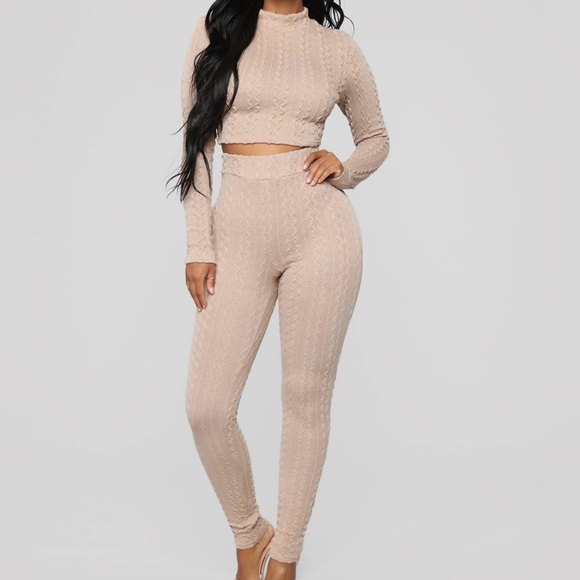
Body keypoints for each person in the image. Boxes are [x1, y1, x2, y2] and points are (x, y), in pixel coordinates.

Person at [173, 1, 389, 578]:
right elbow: (197, 144)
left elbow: (376, 137)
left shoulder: (335, 48)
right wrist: (198, 244)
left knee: (305, 396)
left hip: (322, 231)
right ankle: (250, 533)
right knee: (207, 407)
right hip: (236, 233)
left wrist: (344, 166)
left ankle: (286, 555)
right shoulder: (218, 31)